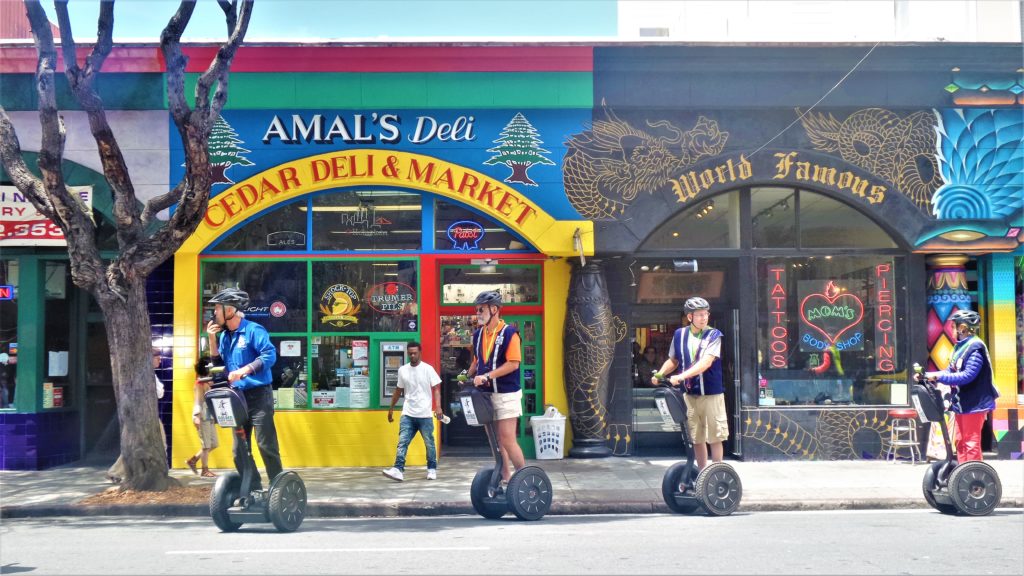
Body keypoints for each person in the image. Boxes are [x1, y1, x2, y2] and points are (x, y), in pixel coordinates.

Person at [206, 288, 282, 488]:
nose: (214, 312)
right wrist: (212, 339)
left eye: (217, 308)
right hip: (237, 399)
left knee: (266, 446)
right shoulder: (224, 336)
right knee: (238, 452)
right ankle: (254, 488)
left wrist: (244, 371)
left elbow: (269, 355)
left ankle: (278, 488)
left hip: (259, 397)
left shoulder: (253, 330)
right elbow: (219, 366)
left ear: (230, 310)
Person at [652, 296, 728, 471]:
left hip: (711, 394)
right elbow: (674, 360)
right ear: (689, 317)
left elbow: (706, 363)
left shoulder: (714, 335)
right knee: (697, 437)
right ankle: (702, 473)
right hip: (690, 394)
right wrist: (661, 373)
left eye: (706, 314)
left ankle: (716, 473)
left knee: (715, 436)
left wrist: (681, 376)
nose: (704, 317)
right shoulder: (679, 334)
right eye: (700, 314)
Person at [918, 309, 999, 463]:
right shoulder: (959, 347)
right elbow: (950, 371)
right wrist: (927, 375)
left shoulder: (975, 347)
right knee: (960, 441)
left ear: (962, 328)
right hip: (963, 402)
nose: (951, 329)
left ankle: (974, 475)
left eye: (953, 326)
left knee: (971, 442)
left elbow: (967, 376)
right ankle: (963, 472)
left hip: (975, 403)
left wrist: (939, 377)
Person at [467, 290, 525, 486]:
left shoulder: (509, 333)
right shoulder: (478, 335)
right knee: (495, 440)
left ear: (494, 309)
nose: (478, 313)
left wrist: (487, 376)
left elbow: (513, 363)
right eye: (477, 310)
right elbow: (477, 361)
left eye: (481, 309)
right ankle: (505, 477)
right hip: (486, 395)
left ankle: (523, 477)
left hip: (507, 393)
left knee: (507, 438)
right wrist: (467, 375)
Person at [382, 342, 444, 481]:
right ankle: (398, 469)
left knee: (429, 443)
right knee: (402, 441)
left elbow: (436, 388)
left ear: (420, 353)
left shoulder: (428, 369)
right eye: (410, 353)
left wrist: (438, 406)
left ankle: (431, 469)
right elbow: (398, 390)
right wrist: (391, 408)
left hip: (425, 414)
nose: (412, 355)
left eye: (415, 353)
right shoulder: (403, 370)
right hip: (408, 413)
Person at [107, 347, 166, 484]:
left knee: (137, 444)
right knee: (158, 441)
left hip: (139, 415)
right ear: (150, 359)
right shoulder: (148, 375)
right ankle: (155, 472)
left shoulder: (143, 373)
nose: (160, 360)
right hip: (145, 416)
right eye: (157, 358)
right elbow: (159, 393)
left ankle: (117, 472)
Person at [185, 356, 220, 478]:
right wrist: (196, 416)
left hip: (209, 417)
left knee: (214, 443)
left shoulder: (207, 382)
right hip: (202, 417)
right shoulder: (199, 384)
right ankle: (204, 470)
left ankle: (193, 460)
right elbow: (198, 401)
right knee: (206, 445)